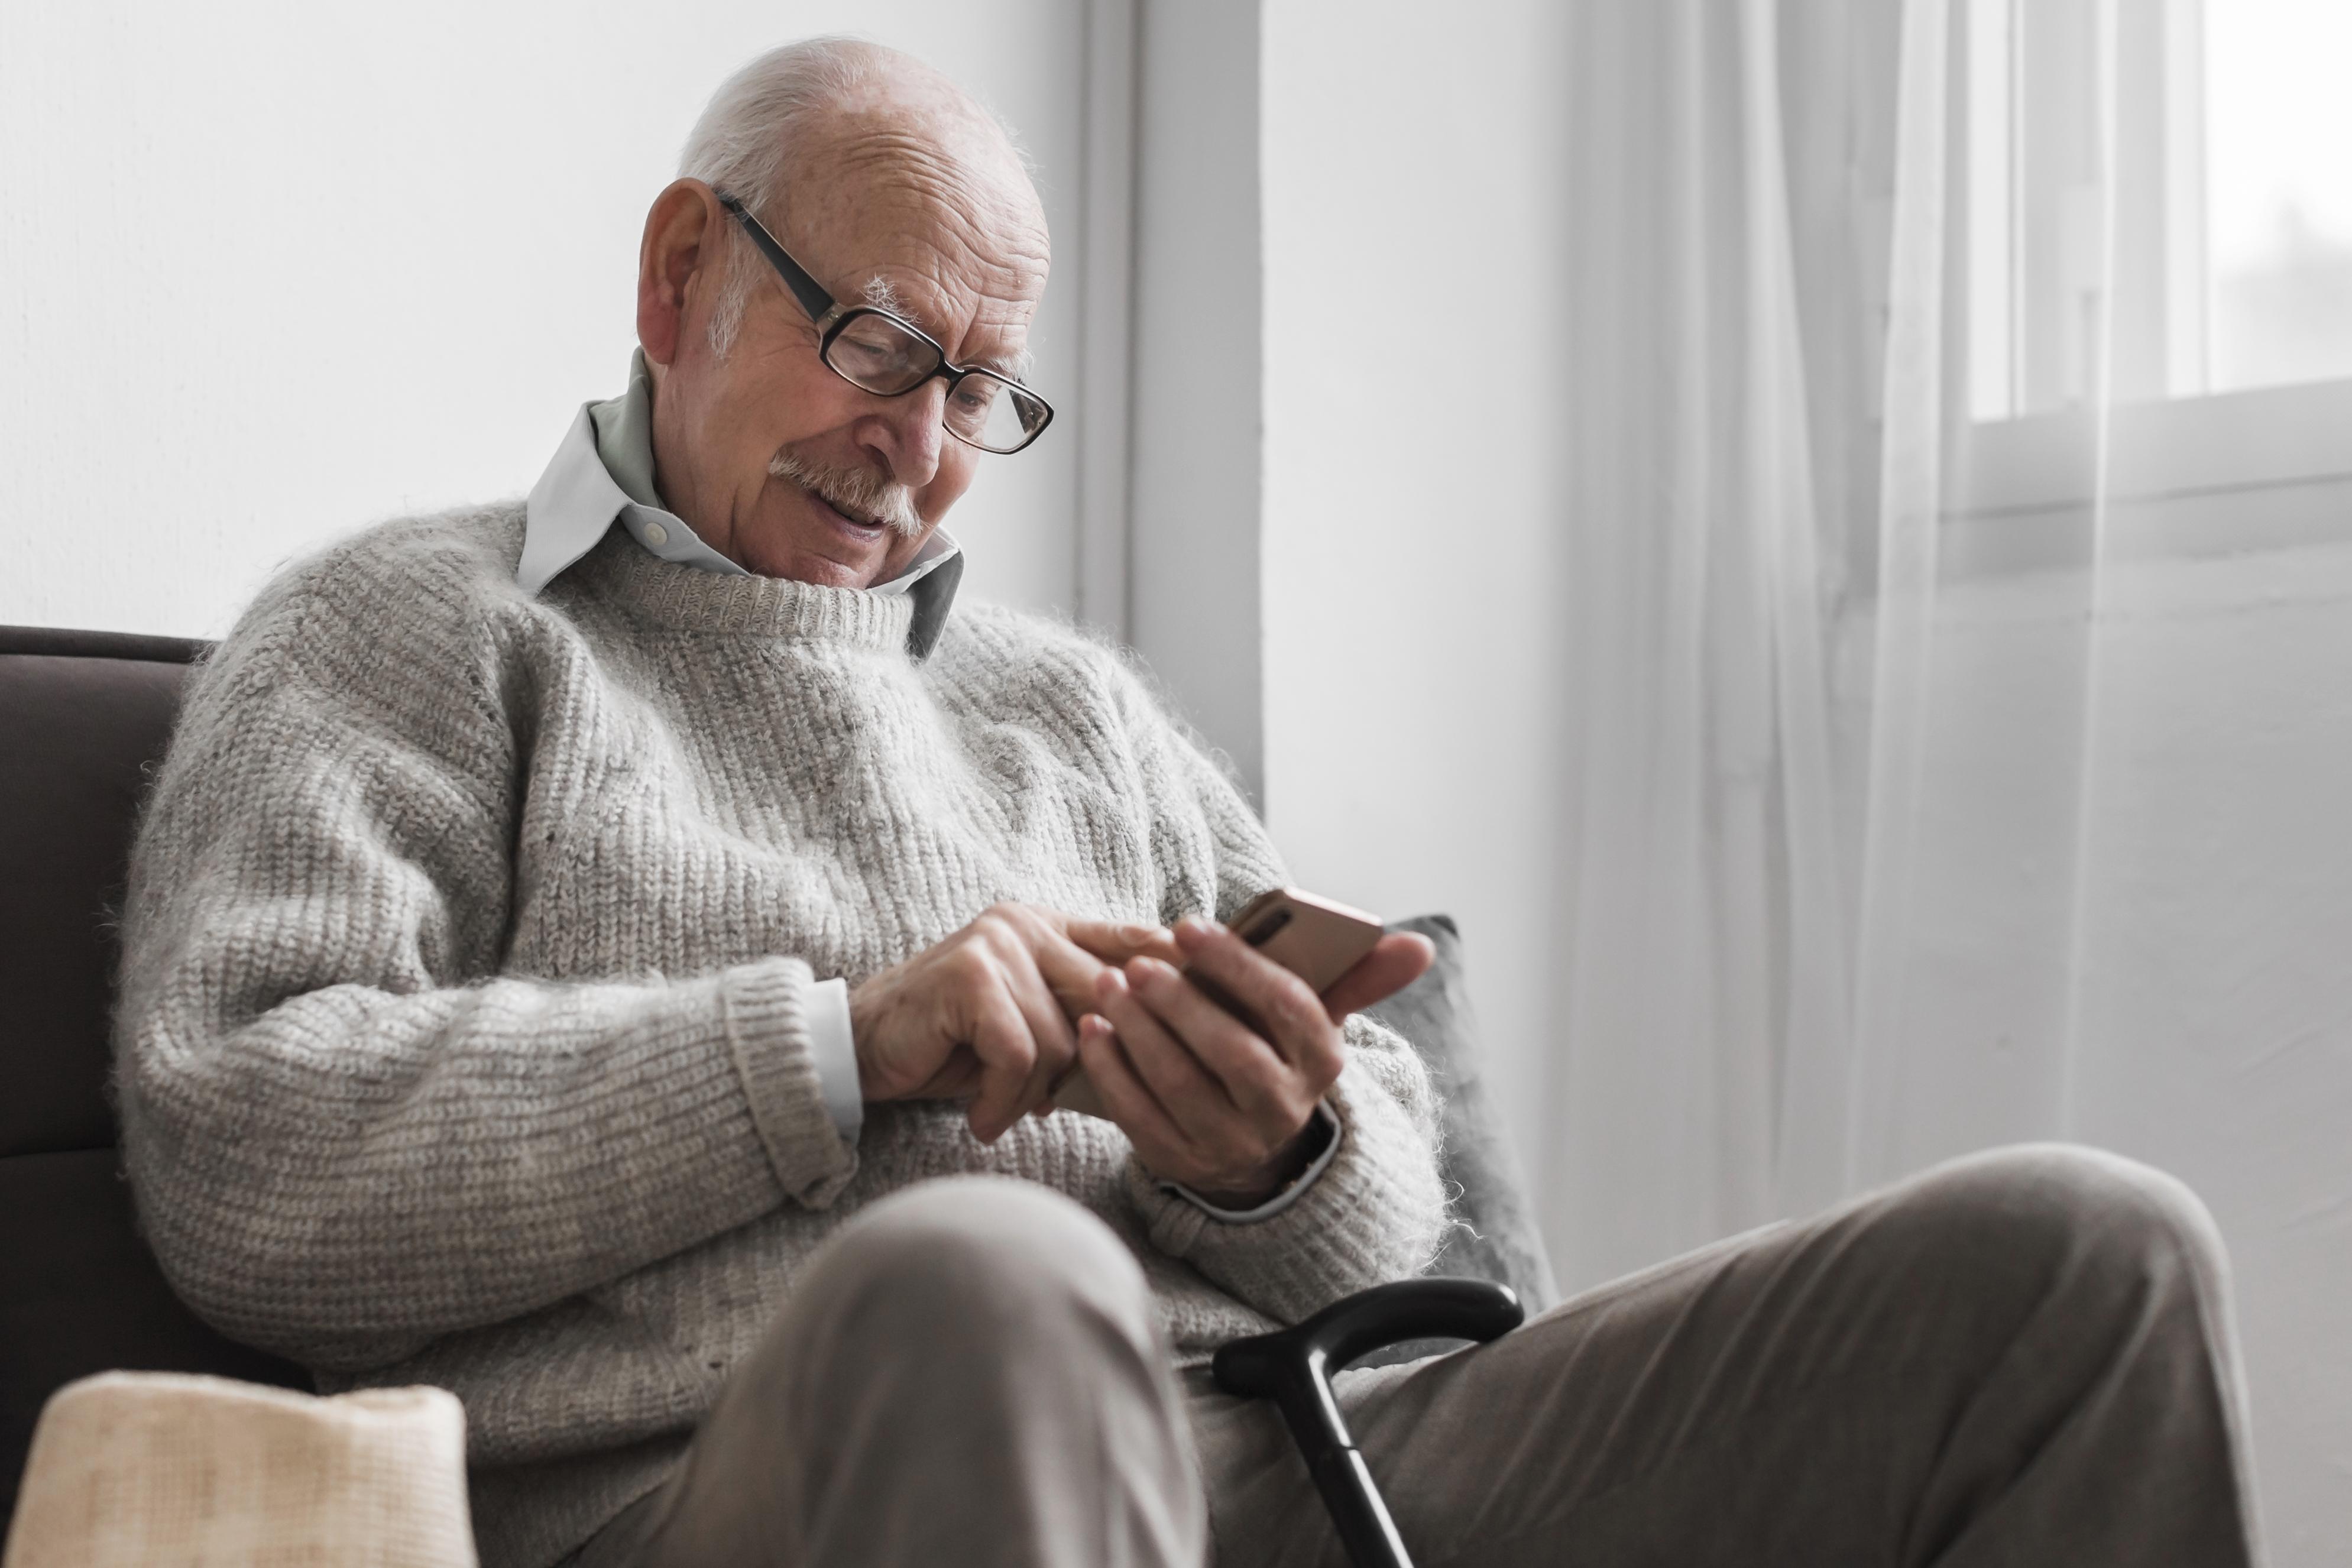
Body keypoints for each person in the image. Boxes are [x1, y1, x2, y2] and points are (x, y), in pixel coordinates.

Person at [115, 36, 2263, 1568]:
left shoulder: (1073, 711)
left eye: (980, 391)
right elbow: (244, 1157)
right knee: (982, 1275)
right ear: (681, 275)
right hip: (755, 1485)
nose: (920, 451)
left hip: (1305, 1444)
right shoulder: (410, 633)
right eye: (880, 346)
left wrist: (1277, 1154)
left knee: (2079, 1259)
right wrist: (842, 1042)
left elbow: (1393, 1196)